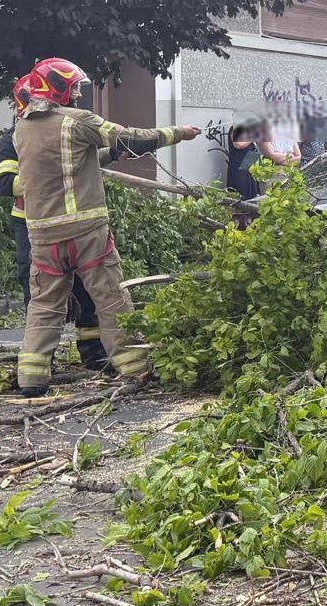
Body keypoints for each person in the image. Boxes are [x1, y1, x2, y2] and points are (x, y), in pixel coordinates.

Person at [11, 58, 201, 396]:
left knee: (44, 305)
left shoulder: (22, 129)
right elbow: (130, 138)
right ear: (61, 88)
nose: (78, 94)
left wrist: (108, 156)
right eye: (75, 88)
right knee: (111, 298)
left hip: (41, 236)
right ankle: (135, 369)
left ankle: (31, 378)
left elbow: (67, 165)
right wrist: (179, 134)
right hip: (87, 232)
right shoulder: (77, 120)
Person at [0, 77, 161, 371]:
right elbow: (5, 183)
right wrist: (45, 178)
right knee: (43, 296)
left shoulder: (63, 127)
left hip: (64, 223)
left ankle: (93, 355)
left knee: (87, 291)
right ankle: (44, 362)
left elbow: (80, 161)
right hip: (34, 224)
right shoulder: (13, 138)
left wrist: (112, 154)